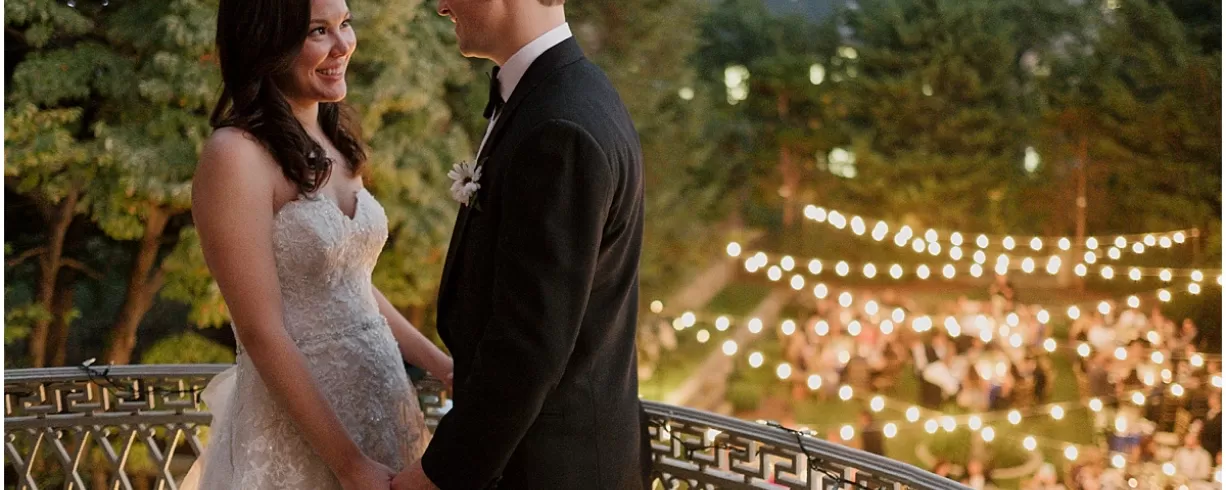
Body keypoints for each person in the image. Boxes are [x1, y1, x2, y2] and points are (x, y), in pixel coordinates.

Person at [183, 0, 453, 488]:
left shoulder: (337, 141)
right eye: (318, 32)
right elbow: (261, 331)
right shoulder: (234, 156)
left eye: (345, 24)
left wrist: (440, 364)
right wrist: (349, 465)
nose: (343, 45)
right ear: (267, 43)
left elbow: (352, 287)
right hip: (305, 433)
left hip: (387, 408)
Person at [394, 0, 647, 488]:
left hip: (549, 469)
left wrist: (436, 476)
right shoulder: (567, 92)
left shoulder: (560, 126)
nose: (441, 6)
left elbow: (528, 346)